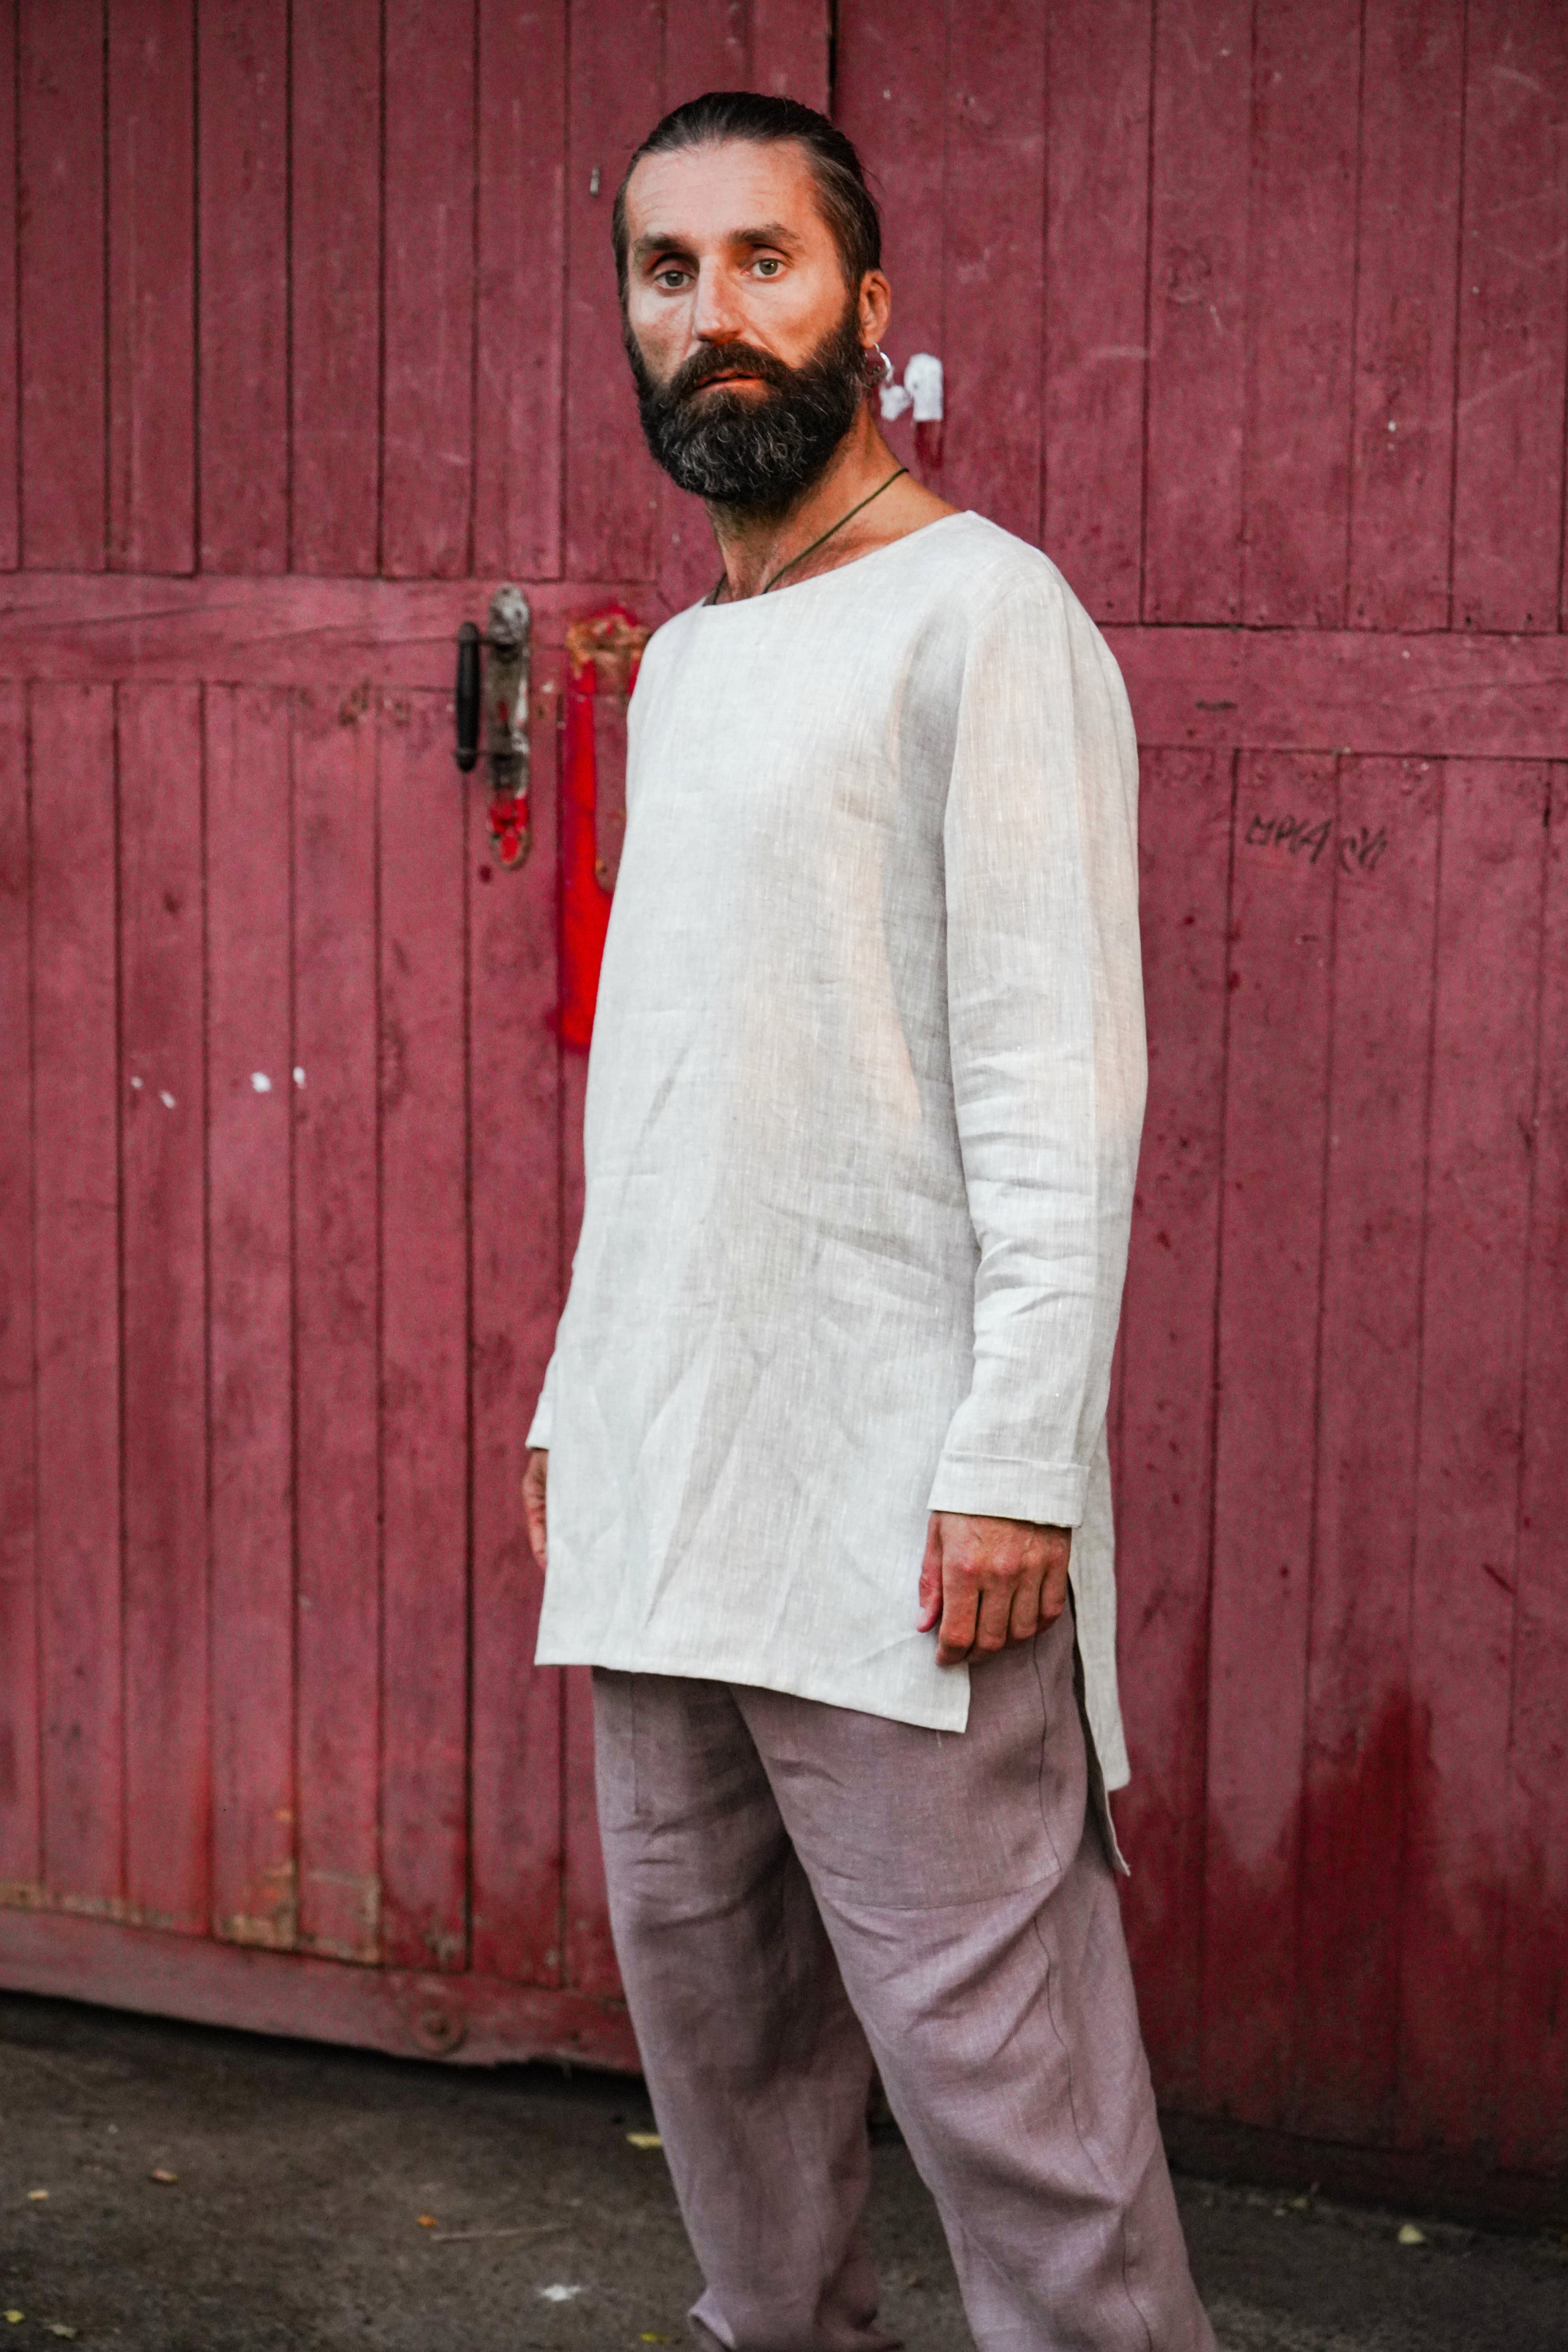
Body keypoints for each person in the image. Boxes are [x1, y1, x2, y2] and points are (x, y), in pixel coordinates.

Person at [522, 89, 1215, 2352]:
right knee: (724, 2082)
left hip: (908, 1510)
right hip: (673, 1489)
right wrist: (574, 1396)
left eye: (763, 262)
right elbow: (676, 1093)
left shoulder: (984, 617)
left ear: (868, 310)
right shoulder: (700, 660)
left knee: (1014, 2120)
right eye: (665, 272)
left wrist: (1017, 1456)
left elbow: (1053, 1081)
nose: (712, 316)